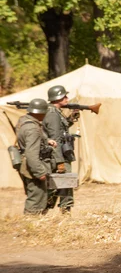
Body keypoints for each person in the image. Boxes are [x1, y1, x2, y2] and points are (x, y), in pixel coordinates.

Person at [16, 98, 56, 215]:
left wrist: (46, 140)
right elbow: (31, 153)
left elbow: (28, 141)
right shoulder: (33, 128)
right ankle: (31, 224)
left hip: (28, 163)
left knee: (37, 195)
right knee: (36, 198)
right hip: (34, 166)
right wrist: (40, 172)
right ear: (40, 112)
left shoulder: (24, 121)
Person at [44, 85, 77, 213]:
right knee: (65, 182)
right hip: (59, 154)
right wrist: (59, 161)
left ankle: (50, 209)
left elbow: (61, 129)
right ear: (57, 97)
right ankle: (62, 209)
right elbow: (55, 138)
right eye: (64, 96)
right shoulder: (52, 113)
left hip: (62, 153)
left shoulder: (56, 112)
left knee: (61, 183)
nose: (67, 98)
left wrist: (71, 118)